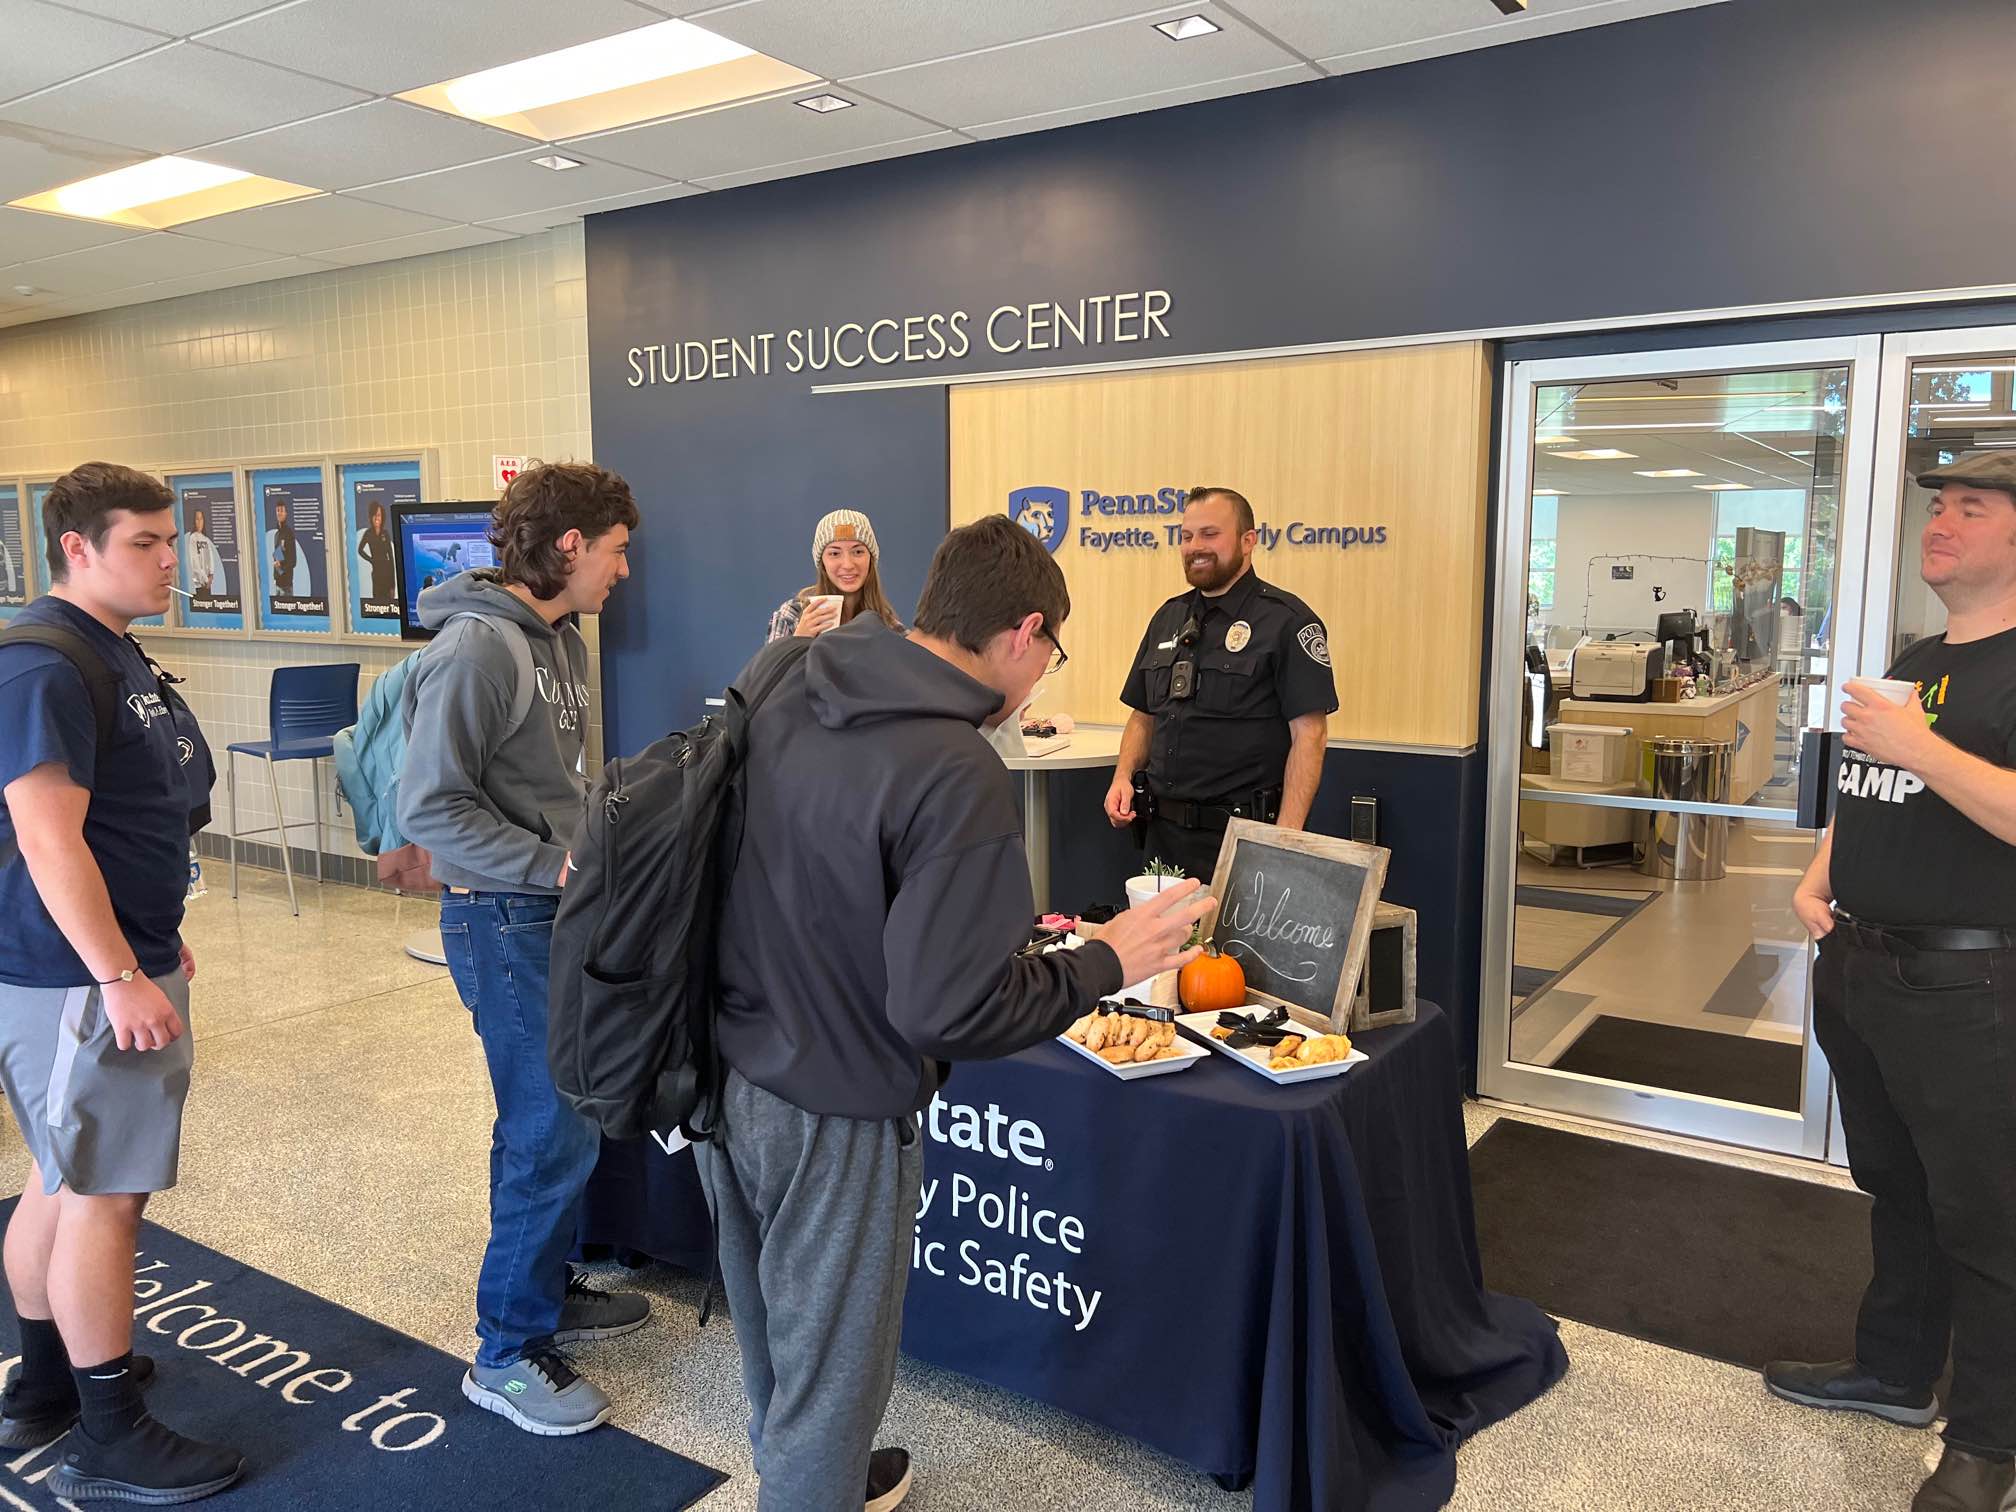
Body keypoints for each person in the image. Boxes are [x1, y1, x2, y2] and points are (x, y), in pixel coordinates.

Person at [700, 515, 1213, 1512]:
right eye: (1052, 652)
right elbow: (949, 1010)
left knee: (777, 1350)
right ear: (1024, 631)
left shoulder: (790, 675)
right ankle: (814, 1486)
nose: (1043, 674)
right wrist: (1105, 961)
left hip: (728, 1071)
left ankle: (816, 1481)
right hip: (839, 1110)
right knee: (833, 1396)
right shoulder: (954, 765)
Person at [1772, 450, 2016, 1512]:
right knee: (1901, 1192)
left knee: (1989, 1217)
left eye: (1973, 507)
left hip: (1971, 988)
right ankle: (1898, 1372)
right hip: (1864, 970)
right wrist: (1825, 871)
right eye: (1939, 505)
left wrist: (1917, 743)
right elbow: (1873, 785)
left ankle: (1990, 1447)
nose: (1942, 522)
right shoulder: (1922, 652)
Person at [0, 462, 241, 1503]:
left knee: (64, 1176)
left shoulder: (112, 652)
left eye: (169, 540)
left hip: (120, 958)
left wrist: (150, 941)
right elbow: (50, 843)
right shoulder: (45, 665)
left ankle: (48, 1385)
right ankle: (109, 1431)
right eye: (145, 542)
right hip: (76, 980)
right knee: (105, 1194)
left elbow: (132, 819)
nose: (169, 561)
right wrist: (115, 971)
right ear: (77, 549)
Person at [397, 462, 650, 1437]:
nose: (625, 572)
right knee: (543, 1129)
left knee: (572, 1116)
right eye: (619, 551)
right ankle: (505, 1350)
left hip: (551, 915)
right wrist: (553, 869)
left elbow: (557, 783)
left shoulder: (558, 641)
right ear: (573, 545)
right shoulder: (476, 647)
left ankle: (546, 1292)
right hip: (504, 922)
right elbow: (431, 808)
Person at [1104, 486, 1339, 880]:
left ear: (1248, 541)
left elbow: (1310, 737)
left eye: (1210, 534)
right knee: (1168, 944)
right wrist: (1122, 777)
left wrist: (1284, 840)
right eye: (1186, 536)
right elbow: (1143, 715)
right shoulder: (1168, 618)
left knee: (1231, 946)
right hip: (1163, 842)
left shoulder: (1287, 622)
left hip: (1244, 842)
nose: (1195, 546)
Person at [765, 508, 905, 642]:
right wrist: (799, 639)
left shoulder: (889, 627)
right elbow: (771, 667)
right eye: (834, 553)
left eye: (858, 552)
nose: (848, 565)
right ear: (822, 563)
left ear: (871, 559)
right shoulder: (791, 616)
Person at [357, 500, 396, 603]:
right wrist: (371, 560)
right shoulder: (368, 533)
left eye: (379, 515)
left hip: (387, 574)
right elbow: (360, 550)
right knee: (377, 603)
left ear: (382, 517)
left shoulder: (385, 533)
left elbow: (391, 557)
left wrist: (393, 585)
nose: (377, 518)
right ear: (371, 516)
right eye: (374, 515)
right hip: (376, 574)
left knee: (389, 604)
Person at [266, 500, 302, 599]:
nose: (279, 513)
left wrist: (281, 565)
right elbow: (277, 557)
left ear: (286, 513)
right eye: (277, 510)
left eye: (281, 510)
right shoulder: (277, 535)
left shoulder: (289, 533)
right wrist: (276, 572)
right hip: (277, 585)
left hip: (286, 586)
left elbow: (293, 561)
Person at [185, 507, 222, 598]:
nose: (199, 522)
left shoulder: (205, 539)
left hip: (208, 583)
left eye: (201, 519)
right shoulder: (193, 538)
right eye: (197, 519)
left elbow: (210, 558)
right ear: (194, 521)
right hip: (200, 583)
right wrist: (205, 579)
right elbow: (195, 563)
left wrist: (211, 575)